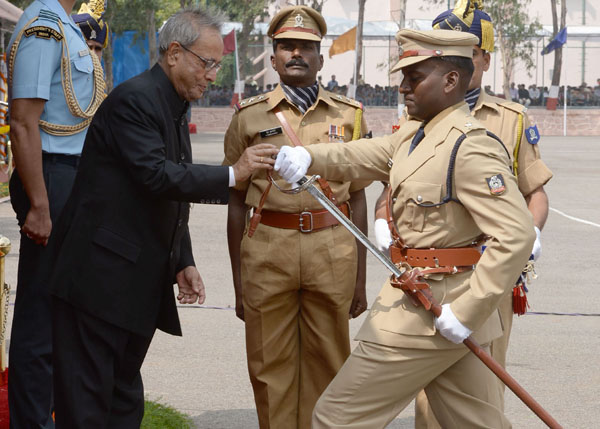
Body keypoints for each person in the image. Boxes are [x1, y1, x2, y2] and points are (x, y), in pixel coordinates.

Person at [275, 28, 535, 428]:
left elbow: (516, 235)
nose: (402, 88)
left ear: (450, 81)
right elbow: (358, 155)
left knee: (336, 418)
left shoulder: (470, 146)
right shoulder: (417, 133)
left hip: (435, 311)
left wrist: (465, 312)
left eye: (415, 78)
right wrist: (307, 156)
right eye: (403, 78)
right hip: (438, 308)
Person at [47, 8, 277, 427]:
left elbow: (169, 196)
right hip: (96, 286)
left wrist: (182, 261)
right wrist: (234, 173)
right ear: (174, 53)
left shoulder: (170, 104)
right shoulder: (135, 99)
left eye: (218, 65)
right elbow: (157, 176)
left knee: (122, 403)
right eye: (207, 63)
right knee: (87, 408)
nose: (212, 75)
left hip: (132, 287)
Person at [371, 3, 553, 427]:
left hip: (488, 279)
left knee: (483, 392)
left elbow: (534, 192)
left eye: (468, 51)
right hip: (426, 277)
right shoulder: (411, 122)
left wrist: (532, 233)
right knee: (428, 400)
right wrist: (383, 221)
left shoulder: (510, 119)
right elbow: (389, 189)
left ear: (484, 59)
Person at [223, 5, 369, 428]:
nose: (296, 54)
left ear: (321, 58)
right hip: (268, 248)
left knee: (332, 360)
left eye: (306, 47)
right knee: (269, 365)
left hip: (332, 250)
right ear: (273, 58)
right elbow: (235, 198)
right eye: (286, 46)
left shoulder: (349, 115)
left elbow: (357, 198)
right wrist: (238, 282)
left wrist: (360, 278)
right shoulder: (248, 116)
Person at [7, 0, 106, 426]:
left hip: (69, 174)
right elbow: (24, 122)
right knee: (40, 315)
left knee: (63, 312)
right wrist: (40, 204)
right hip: (49, 175)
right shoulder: (44, 26)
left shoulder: (64, 23)